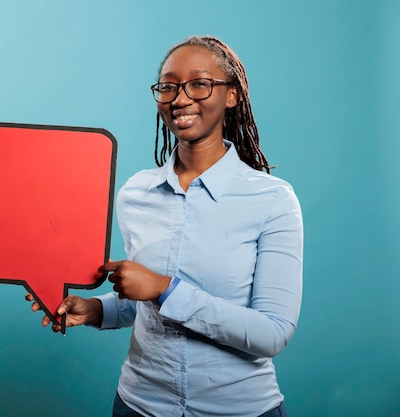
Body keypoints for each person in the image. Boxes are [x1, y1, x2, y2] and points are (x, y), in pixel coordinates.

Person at [26, 35, 303, 417]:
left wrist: (164, 288)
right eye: (169, 86)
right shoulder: (136, 193)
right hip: (139, 406)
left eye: (200, 83)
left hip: (240, 410)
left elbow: (272, 333)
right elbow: (143, 304)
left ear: (232, 95)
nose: (180, 98)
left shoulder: (272, 200)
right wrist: (95, 310)